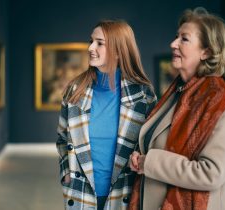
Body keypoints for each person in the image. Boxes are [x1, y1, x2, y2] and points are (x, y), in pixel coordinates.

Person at [129, 7, 225, 210]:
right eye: (176, 37)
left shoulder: (222, 99)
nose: (173, 44)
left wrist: (149, 163)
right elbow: (157, 140)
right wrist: (139, 157)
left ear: (206, 51)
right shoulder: (176, 91)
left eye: (184, 39)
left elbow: (211, 173)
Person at [56, 20, 157, 210]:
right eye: (91, 41)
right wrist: (66, 172)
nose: (90, 47)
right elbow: (62, 138)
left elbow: (152, 146)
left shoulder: (143, 95)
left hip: (125, 194)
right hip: (80, 194)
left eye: (100, 43)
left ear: (119, 51)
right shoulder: (74, 91)